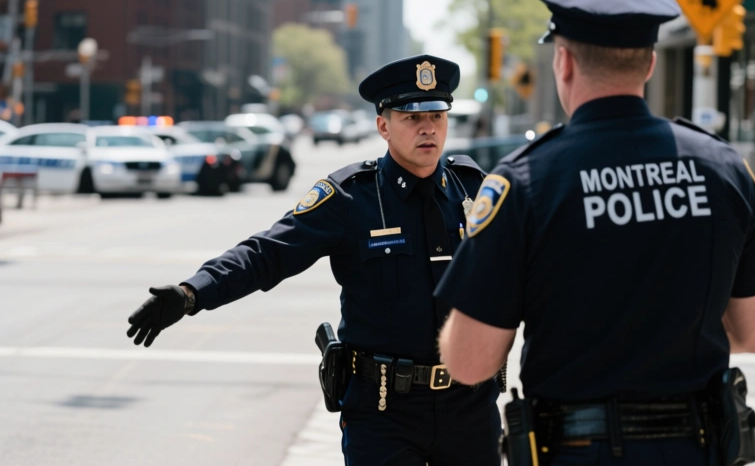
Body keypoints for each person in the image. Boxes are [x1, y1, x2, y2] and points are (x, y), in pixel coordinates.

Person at [435, 0, 755, 466]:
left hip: (577, 450)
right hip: (698, 448)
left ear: (564, 63)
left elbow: (469, 363)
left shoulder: (525, 182)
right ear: (648, 65)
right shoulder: (724, 169)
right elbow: (754, 333)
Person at [125, 54, 502, 465]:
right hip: (384, 413)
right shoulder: (350, 197)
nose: (428, 127)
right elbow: (267, 253)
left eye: (436, 114)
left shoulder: (475, 190)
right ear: (383, 126)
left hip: (470, 407)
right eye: (411, 116)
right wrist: (192, 292)